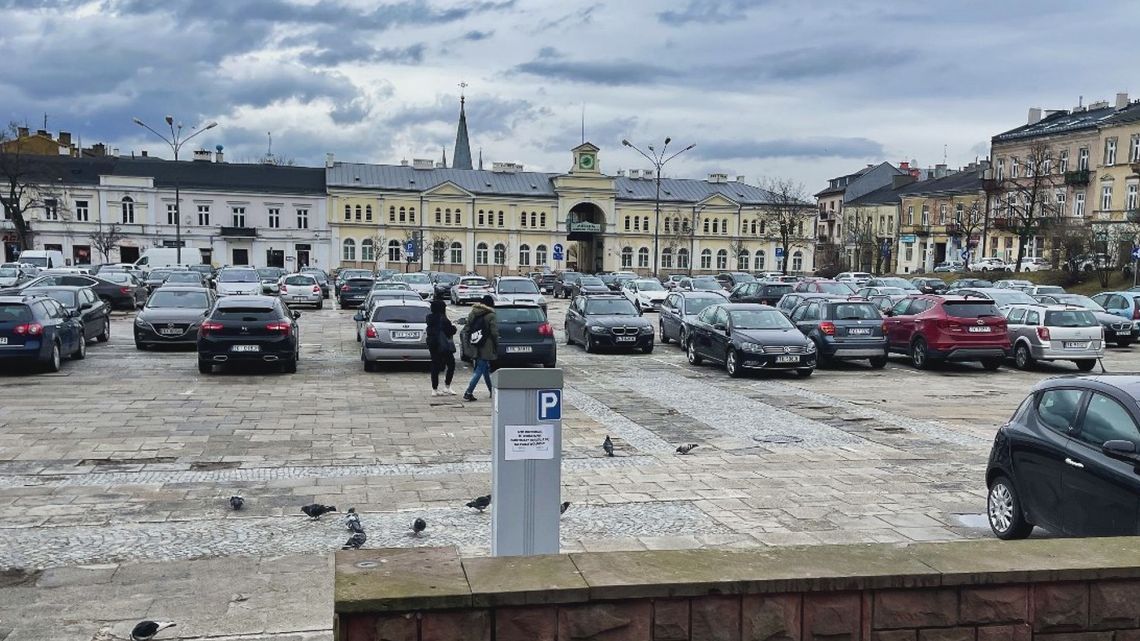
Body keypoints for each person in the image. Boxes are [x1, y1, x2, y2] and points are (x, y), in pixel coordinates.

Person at [463, 294, 499, 401]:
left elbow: (467, 328)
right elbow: (494, 332)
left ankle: (492, 391)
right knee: (480, 369)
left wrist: (468, 343)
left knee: (485, 368)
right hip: (486, 346)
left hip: (475, 343)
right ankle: (468, 392)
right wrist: (496, 344)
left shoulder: (473, 313)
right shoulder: (491, 315)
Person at [425, 298, 457, 397]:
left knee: (435, 365)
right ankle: (447, 387)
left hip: (432, 344)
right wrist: (454, 327)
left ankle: (434, 389)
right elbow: (450, 331)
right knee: (451, 364)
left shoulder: (429, 318)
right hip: (443, 345)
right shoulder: (443, 319)